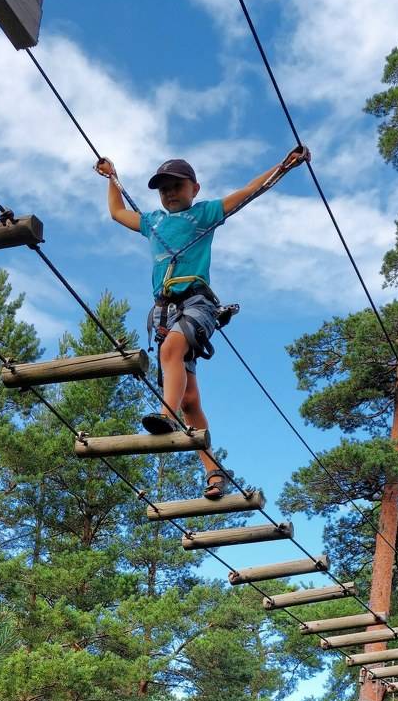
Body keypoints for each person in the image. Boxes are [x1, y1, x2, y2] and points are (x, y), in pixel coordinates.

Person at [95, 146, 309, 498]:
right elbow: (118, 213)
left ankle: (165, 415)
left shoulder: (204, 213)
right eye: (164, 189)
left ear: (194, 188)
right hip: (164, 310)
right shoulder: (153, 223)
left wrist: (284, 165)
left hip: (197, 302)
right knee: (190, 400)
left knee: (171, 351)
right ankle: (213, 471)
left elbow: (250, 191)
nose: (170, 193)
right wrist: (112, 177)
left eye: (177, 186)